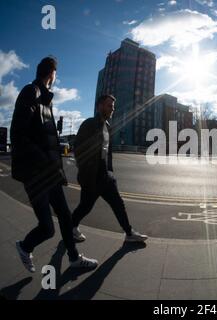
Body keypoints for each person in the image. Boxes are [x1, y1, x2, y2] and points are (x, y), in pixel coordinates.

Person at [10, 57, 98, 273]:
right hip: (36, 174)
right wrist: (43, 160)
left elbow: (45, 139)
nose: (56, 77)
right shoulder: (31, 92)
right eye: (56, 73)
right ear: (51, 73)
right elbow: (18, 134)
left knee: (66, 218)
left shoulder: (46, 101)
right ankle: (24, 246)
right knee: (47, 229)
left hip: (49, 173)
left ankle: (74, 258)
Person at [71, 94, 147, 243]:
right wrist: (86, 173)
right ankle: (71, 227)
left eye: (113, 106)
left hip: (106, 175)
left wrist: (110, 171)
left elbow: (107, 153)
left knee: (118, 204)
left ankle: (129, 233)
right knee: (85, 206)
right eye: (109, 106)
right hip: (92, 177)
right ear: (99, 106)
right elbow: (78, 149)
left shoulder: (108, 127)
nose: (112, 109)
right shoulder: (89, 124)